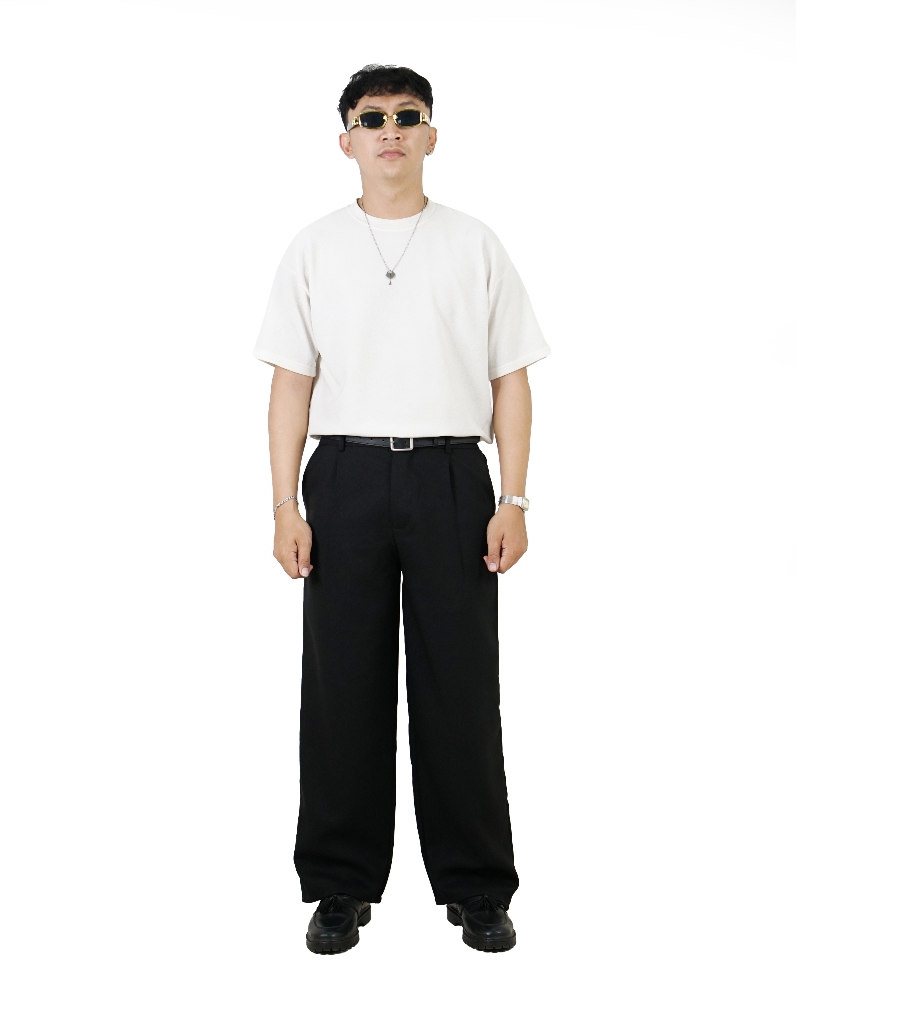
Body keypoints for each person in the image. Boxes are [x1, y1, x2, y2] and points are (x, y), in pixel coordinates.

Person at [253, 64, 550, 954]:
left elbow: (511, 378)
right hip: (343, 477)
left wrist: (514, 497)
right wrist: (284, 505)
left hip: (451, 477)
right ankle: (340, 884)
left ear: (431, 134)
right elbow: (291, 383)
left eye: (408, 116)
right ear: (346, 139)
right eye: (373, 117)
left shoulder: (474, 243)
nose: (391, 130)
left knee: (460, 685)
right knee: (341, 685)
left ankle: (477, 886)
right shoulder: (314, 247)